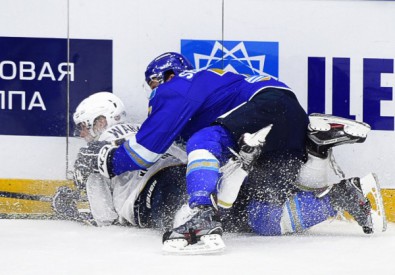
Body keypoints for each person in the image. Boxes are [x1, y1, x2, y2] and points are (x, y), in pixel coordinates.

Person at [76, 53, 380, 252]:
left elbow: (143, 153)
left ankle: (200, 213)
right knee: (265, 217)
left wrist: (106, 161)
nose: (153, 92)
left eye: (152, 84)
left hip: (264, 106)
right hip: (286, 115)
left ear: (166, 76)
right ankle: (333, 179)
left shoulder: (178, 86)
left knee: (203, 139)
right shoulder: (208, 87)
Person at [52, 92, 188, 229]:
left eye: (83, 126)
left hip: (148, 195)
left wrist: (72, 212)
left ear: (101, 121)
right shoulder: (146, 128)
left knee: (178, 222)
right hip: (184, 174)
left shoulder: (93, 153)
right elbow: (184, 156)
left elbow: (106, 220)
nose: (81, 134)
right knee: (194, 207)